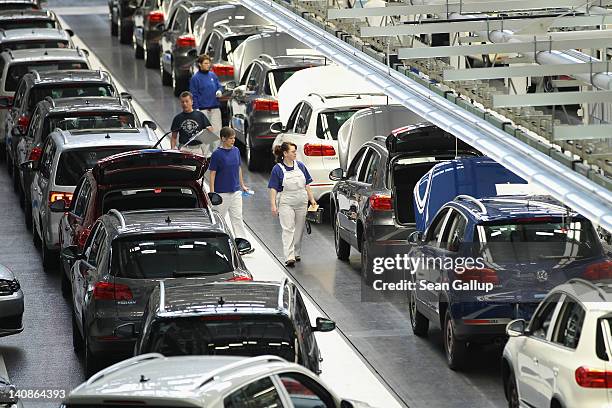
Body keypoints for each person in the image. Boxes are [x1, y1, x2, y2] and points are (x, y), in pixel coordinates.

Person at [268, 142, 317, 267]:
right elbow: (273, 188)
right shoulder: (277, 169)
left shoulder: (300, 165)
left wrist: (312, 200)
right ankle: (289, 256)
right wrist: (273, 205)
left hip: (302, 200)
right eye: (293, 151)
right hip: (286, 201)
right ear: (285, 153)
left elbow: (307, 184)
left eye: (295, 151)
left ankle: (296, 252)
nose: (295, 153)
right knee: (288, 228)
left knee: (299, 229)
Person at [209, 127, 249, 241]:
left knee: (237, 217)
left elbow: (239, 168)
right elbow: (212, 174)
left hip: (236, 191)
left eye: (234, 138)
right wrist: (212, 193)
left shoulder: (236, 150)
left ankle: (242, 241)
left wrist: (242, 185)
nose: (233, 140)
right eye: (231, 138)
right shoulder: (217, 154)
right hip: (222, 193)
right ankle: (217, 240)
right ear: (223, 138)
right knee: (219, 218)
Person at [170, 91, 217, 158]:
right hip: (183, 149)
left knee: (199, 168)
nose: (185, 104)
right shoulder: (177, 118)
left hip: (198, 149)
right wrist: (173, 149)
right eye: (182, 102)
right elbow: (174, 137)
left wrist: (208, 131)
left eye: (187, 101)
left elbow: (210, 130)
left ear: (192, 102)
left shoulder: (200, 115)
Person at [189, 54, 223, 135]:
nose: (208, 65)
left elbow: (219, 86)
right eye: (205, 63)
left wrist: (219, 91)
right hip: (203, 110)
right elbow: (194, 94)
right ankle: (204, 148)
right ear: (200, 64)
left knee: (217, 132)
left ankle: (216, 148)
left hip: (215, 108)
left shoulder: (212, 75)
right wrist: (196, 109)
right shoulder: (195, 78)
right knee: (204, 134)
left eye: (209, 63)